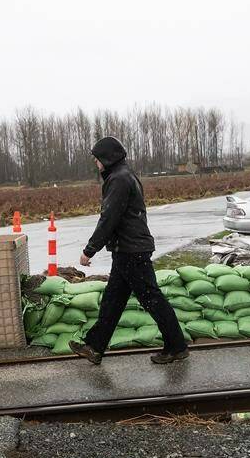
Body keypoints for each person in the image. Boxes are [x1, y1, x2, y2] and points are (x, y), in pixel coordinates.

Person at [69, 137, 189, 365]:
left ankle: (176, 346)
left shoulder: (119, 180)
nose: (96, 164)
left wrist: (89, 250)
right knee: (113, 301)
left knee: (152, 299)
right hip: (128, 250)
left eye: (97, 159)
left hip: (131, 251)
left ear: (107, 158)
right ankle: (94, 347)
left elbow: (109, 218)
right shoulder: (124, 175)